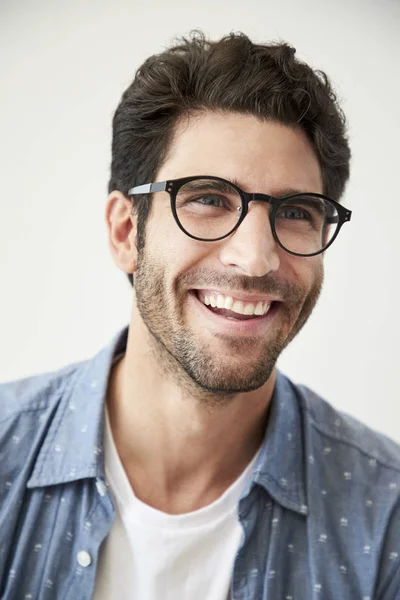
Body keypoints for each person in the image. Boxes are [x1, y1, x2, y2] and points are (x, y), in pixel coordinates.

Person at [1, 31, 399, 600]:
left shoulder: (384, 516)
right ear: (124, 233)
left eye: (294, 212)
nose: (257, 258)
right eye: (208, 198)